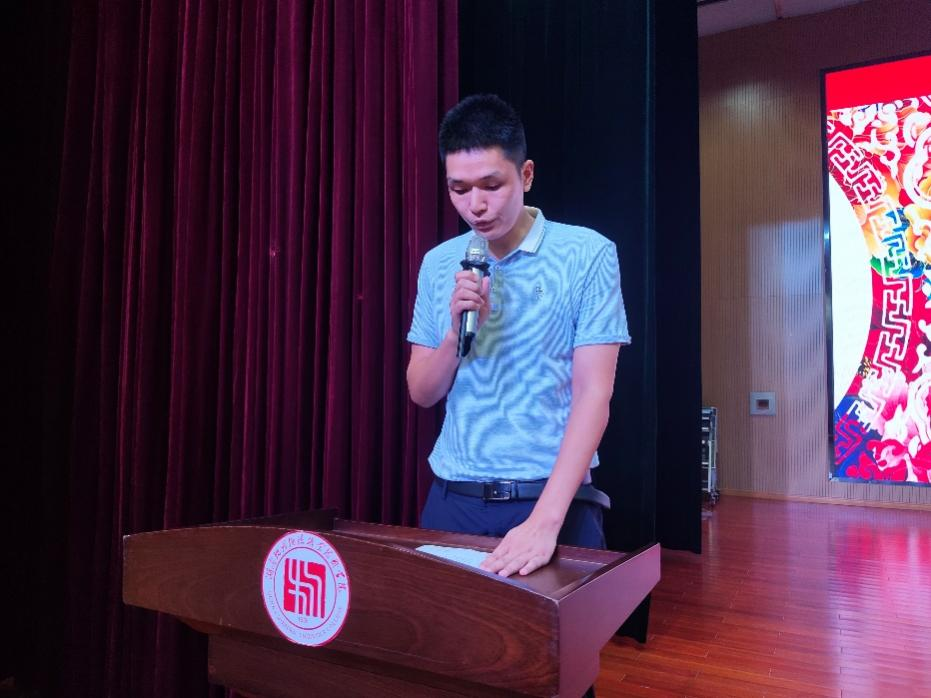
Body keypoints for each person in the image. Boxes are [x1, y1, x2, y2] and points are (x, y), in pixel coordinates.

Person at [406, 94, 630, 579]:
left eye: (492, 185)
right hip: (454, 499)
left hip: (553, 501)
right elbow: (422, 391)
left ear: (526, 175)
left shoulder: (587, 254)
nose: (476, 205)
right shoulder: (439, 263)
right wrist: (455, 334)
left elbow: (594, 393)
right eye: (459, 189)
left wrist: (544, 522)